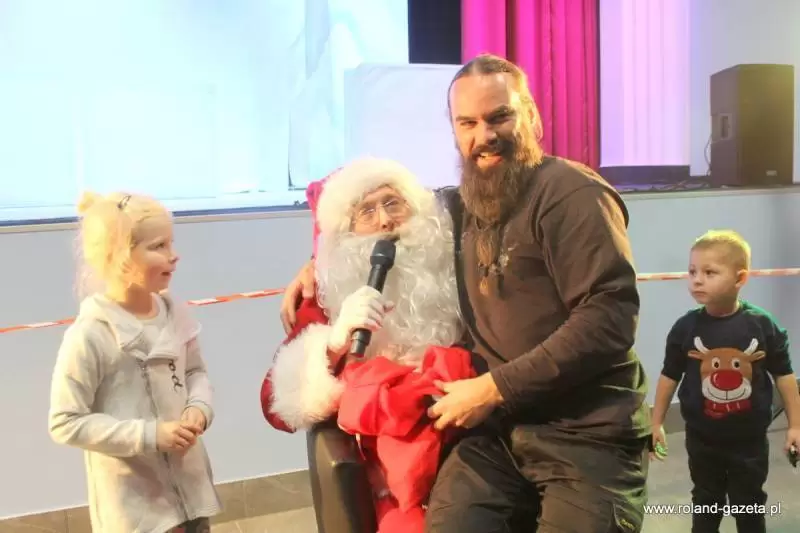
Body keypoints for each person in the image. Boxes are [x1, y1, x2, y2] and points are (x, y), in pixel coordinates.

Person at [280, 53, 651, 532]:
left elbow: (608, 320)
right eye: (468, 123)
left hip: (587, 433)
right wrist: (317, 263)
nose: (485, 135)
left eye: (500, 117)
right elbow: (390, 220)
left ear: (531, 116)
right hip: (498, 435)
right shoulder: (460, 204)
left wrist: (494, 388)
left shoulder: (573, 195)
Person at [260, 157, 475, 533]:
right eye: (367, 211)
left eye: (393, 203)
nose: (385, 221)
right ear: (345, 232)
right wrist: (333, 344)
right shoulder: (324, 295)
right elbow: (275, 406)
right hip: (391, 472)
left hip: (470, 437)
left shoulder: (455, 265)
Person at [48, 192, 220, 533]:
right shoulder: (90, 335)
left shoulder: (174, 313)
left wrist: (199, 406)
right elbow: (65, 421)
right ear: (120, 257)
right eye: (159, 246)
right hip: (138, 513)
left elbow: (195, 371)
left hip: (191, 493)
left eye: (171, 243)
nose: (174, 255)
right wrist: (150, 435)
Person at [650, 229, 800, 533]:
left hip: (750, 440)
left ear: (740, 278)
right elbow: (669, 376)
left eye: (709, 272)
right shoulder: (684, 328)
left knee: (749, 504)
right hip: (701, 439)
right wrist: (656, 423)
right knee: (706, 502)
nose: (697, 280)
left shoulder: (764, 326)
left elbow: (784, 376)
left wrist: (795, 426)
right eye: (692, 271)